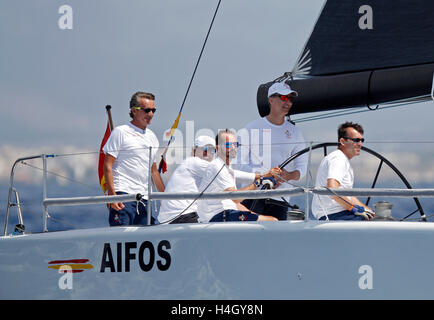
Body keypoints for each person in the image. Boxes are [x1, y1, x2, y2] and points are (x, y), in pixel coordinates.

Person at [238, 81, 308, 220]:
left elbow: (303, 167)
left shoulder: (295, 132)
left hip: (279, 199)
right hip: (253, 195)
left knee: (276, 240)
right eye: (283, 97)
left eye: (290, 98)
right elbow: (238, 163)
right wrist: (263, 176)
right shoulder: (251, 128)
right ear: (271, 100)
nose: (287, 102)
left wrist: (288, 176)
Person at [103, 91, 165, 226]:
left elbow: (153, 171)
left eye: (153, 110)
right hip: (123, 196)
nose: (151, 114)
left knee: (151, 237)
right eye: (147, 110)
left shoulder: (152, 137)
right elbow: (107, 165)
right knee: (121, 237)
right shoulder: (120, 132)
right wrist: (112, 196)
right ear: (134, 111)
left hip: (144, 199)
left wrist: (166, 197)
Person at [197, 129, 280, 223]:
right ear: (218, 148)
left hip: (226, 214)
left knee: (271, 220)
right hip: (217, 217)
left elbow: (236, 204)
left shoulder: (227, 169)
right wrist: (258, 183)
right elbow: (236, 198)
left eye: (235, 144)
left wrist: (254, 215)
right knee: (272, 221)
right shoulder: (217, 167)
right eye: (228, 145)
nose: (233, 148)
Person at [311, 122, 375, 221]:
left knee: (375, 219)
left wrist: (369, 211)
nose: (360, 144)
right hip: (333, 215)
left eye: (362, 140)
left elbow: (350, 197)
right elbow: (333, 190)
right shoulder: (338, 158)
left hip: (337, 213)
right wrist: (352, 208)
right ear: (342, 141)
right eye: (356, 140)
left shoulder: (341, 159)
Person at [157, 135, 216, 224]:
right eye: (205, 149)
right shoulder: (193, 162)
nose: (208, 153)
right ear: (194, 150)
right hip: (180, 217)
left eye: (212, 150)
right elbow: (224, 172)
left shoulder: (198, 170)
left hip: (172, 219)